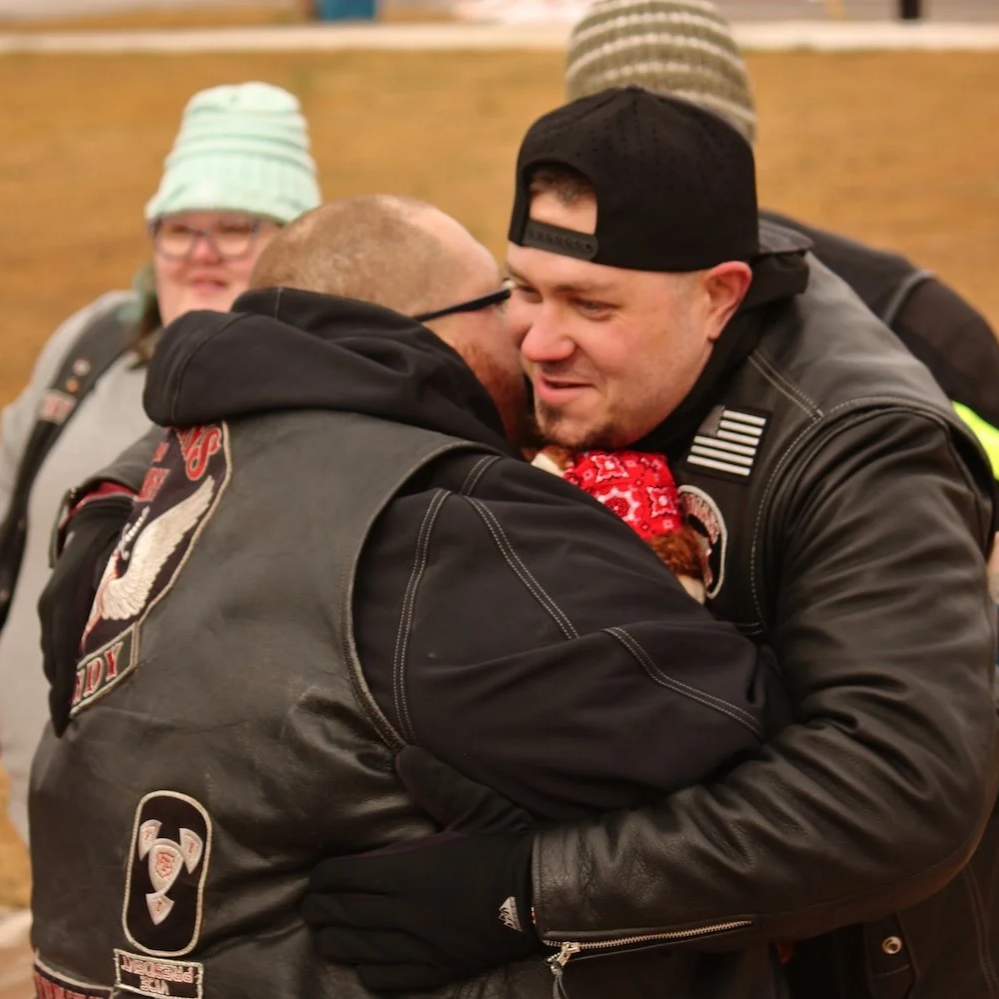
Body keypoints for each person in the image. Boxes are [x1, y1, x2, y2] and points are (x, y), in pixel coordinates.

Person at [301, 89, 998, 999]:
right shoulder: (595, 369)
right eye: (524, 288)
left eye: (590, 305)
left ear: (719, 296)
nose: (539, 342)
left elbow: (903, 790)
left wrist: (527, 890)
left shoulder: (857, 444)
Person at [28, 194, 790, 998]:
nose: (529, 335)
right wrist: (528, 876)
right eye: (506, 300)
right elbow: (739, 731)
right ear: (439, 327)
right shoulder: (442, 517)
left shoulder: (159, 479)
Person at [0, 80, 320, 843]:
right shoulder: (93, 347)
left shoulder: (317, 394)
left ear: (294, 242)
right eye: (179, 227)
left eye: (235, 226)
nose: (202, 252)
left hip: (206, 821)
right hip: (41, 791)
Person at [563, 0, 999, 474]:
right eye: (624, 142)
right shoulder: (535, 317)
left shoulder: (907, 312)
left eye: (693, 138)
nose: (664, 172)